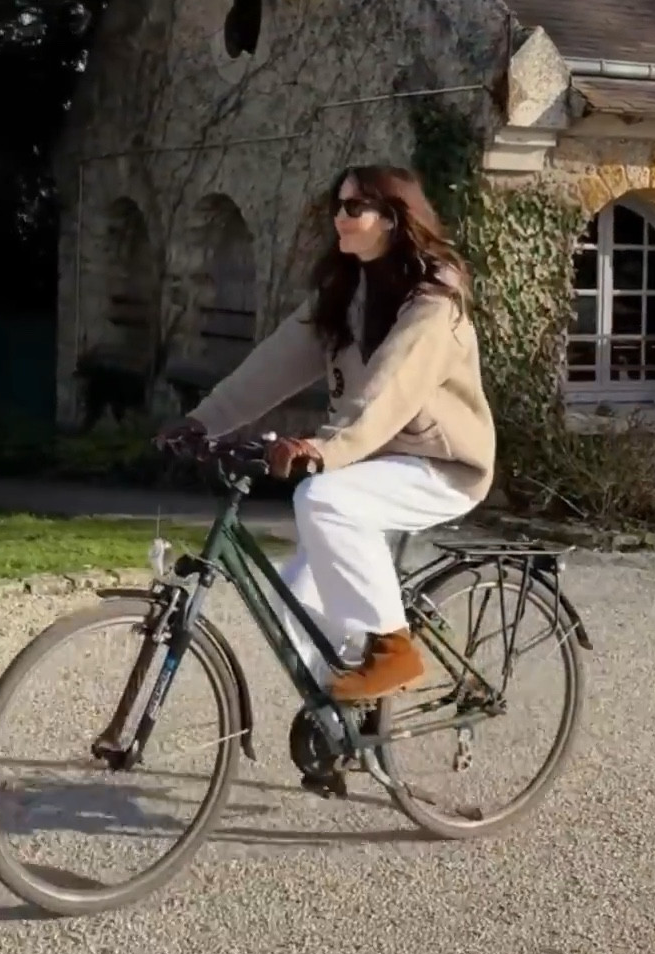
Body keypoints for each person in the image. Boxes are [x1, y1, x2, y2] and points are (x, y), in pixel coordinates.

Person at [157, 165, 496, 703]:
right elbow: (272, 364)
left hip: (439, 465)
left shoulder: (434, 297)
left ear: (390, 218)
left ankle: (394, 650)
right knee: (294, 605)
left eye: (354, 207)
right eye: (336, 206)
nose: (340, 217)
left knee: (323, 497)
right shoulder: (346, 292)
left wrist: (323, 450)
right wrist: (203, 421)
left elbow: (389, 388)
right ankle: (339, 723)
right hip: (369, 464)